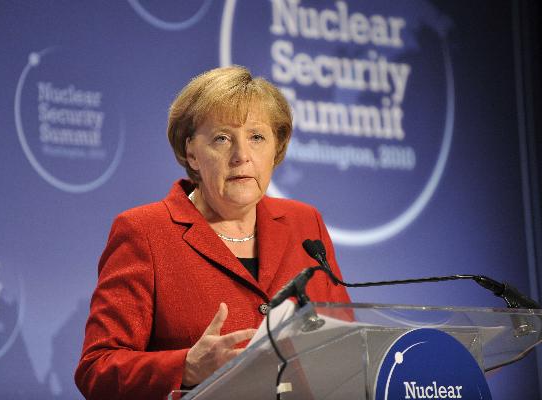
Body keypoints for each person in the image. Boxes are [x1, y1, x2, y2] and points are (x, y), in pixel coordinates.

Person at [74, 66, 351, 400]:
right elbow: (97, 368)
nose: (241, 156)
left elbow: (345, 342)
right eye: (222, 138)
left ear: (276, 148)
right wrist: (186, 367)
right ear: (191, 151)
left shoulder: (305, 224)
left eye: (257, 137)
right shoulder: (145, 232)